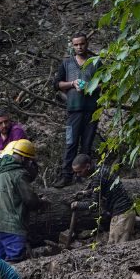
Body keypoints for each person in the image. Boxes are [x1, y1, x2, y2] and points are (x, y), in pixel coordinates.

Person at [0, 140, 41, 261]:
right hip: (10, 225)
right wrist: (40, 204)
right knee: (15, 260)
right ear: (23, 158)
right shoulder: (19, 173)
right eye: (29, 160)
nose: (30, 163)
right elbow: (30, 200)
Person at [53, 32, 101, 187]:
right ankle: (66, 175)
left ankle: (84, 177)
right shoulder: (67, 63)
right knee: (70, 143)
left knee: (87, 144)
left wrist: (90, 86)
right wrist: (72, 83)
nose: (79, 47)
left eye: (82, 44)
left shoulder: (96, 62)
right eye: (76, 45)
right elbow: (57, 84)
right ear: (72, 46)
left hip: (92, 110)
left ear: (87, 44)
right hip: (73, 110)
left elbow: (106, 83)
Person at [71, 154, 134, 237]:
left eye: (80, 171)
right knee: (114, 245)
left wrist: (77, 204)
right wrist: (85, 192)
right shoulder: (100, 169)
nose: (78, 175)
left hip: (122, 213)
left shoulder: (98, 177)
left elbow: (94, 204)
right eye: (76, 172)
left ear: (88, 166)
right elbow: (101, 189)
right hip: (123, 211)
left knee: (118, 246)